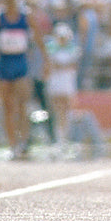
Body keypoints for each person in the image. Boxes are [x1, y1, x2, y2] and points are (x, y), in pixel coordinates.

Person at [0, 0, 48, 160]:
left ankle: (23, 142)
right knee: (8, 106)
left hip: (20, 62)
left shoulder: (26, 16)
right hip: (4, 62)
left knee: (23, 104)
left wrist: (46, 60)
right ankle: (12, 144)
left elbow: (38, 39)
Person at [46, 22, 82, 154]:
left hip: (67, 82)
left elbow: (73, 65)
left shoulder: (73, 49)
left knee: (67, 110)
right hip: (55, 82)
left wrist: (61, 66)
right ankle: (59, 139)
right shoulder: (50, 48)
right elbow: (51, 65)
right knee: (57, 111)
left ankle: (67, 139)